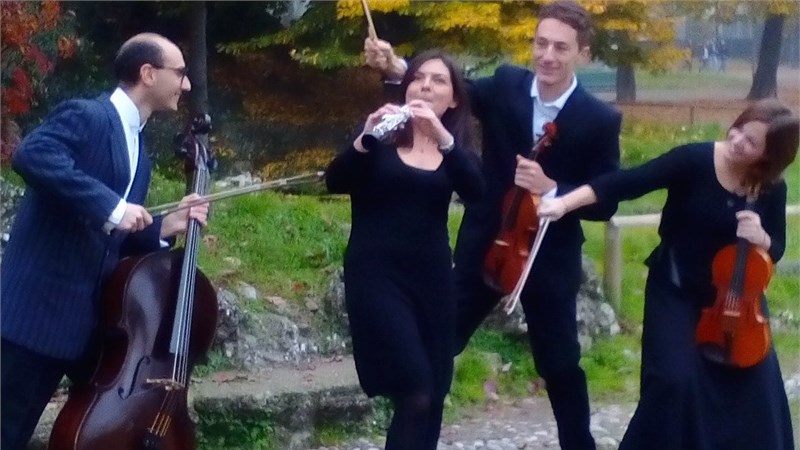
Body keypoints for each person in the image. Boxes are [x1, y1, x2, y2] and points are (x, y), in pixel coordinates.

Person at [364, 1, 621, 448]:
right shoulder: (506, 84)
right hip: (486, 242)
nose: (547, 56)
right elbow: (452, 90)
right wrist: (397, 66)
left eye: (561, 48)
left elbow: (605, 201)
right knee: (437, 347)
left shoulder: (600, 119)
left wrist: (554, 189)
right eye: (541, 44)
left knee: (560, 365)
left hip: (548, 255)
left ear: (583, 53)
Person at [539, 99, 798, 450]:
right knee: (672, 381)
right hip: (675, 288)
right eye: (738, 129)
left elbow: (776, 247)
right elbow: (628, 182)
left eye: (751, 142)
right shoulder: (694, 160)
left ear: (768, 156)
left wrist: (762, 238)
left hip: (739, 300)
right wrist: (563, 202)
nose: (737, 140)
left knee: (759, 386)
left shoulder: (770, 187)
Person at [1, 33, 209, 450]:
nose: (186, 85)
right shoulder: (89, 116)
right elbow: (32, 155)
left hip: (81, 331)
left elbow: (111, 240)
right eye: (180, 73)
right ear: (148, 73)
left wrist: (162, 227)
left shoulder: (140, 153)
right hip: (32, 320)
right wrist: (112, 207)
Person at [325, 50, 484, 450]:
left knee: (433, 393)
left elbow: (477, 192)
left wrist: (442, 137)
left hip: (432, 280)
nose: (425, 86)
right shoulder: (382, 138)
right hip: (376, 276)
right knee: (415, 388)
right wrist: (364, 138)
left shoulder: (455, 150)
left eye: (438, 80)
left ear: (454, 99)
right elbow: (336, 180)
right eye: (417, 78)